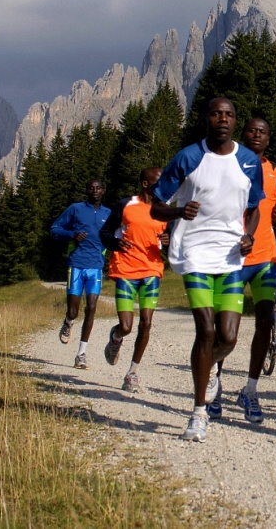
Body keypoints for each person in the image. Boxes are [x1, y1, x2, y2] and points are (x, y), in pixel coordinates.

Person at [150, 97, 264, 443]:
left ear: (235, 120)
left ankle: (210, 367)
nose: (223, 119)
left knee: (228, 337)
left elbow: (255, 207)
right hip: (195, 254)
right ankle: (198, 413)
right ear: (207, 120)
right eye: (217, 114)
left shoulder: (248, 161)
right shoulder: (188, 157)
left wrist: (249, 236)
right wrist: (178, 213)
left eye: (229, 114)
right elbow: (156, 207)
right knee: (207, 329)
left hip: (230, 258)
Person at [208, 118, 276, 424]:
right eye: (252, 130)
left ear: (268, 139)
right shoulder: (229, 163)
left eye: (262, 132)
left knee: (266, 322)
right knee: (228, 330)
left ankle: (250, 391)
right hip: (232, 259)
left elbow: (271, 210)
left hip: (265, 257)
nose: (257, 135)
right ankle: (214, 381)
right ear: (244, 135)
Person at [99, 168, 169, 392]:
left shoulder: (165, 210)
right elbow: (105, 232)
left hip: (151, 271)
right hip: (126, 271)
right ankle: (116, 336)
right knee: (128, 326)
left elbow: (173, 241)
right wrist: (115, 243)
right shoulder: (125, 205)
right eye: (159, 182)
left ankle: (132, 373)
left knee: (146, 322)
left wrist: (169, 241)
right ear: (145, 184)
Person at [51, 178, 112, 369]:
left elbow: (118, 235)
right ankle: (68, 322)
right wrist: (71, 235)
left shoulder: (108, 214)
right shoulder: (75, 209)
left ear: (103, 191)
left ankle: (81, 354)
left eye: (98, 188)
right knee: (74, 310)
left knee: (92, 307)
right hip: (76, 265)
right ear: (86, 190)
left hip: (95, 266)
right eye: (91, 188)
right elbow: (54, 229)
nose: (94, 191)